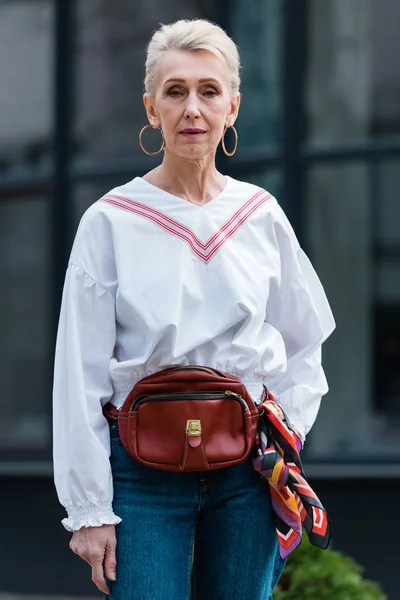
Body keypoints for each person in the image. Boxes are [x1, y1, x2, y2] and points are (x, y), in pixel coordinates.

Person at [53, 18, 335, 600]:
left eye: (209, 91)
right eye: (175, 91)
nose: (192, 109)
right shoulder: (110, 220)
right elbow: (76, 375)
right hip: (139, 475)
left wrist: (286, 435)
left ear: (232, 107)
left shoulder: (260, 214)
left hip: (247, 475)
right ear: (151, 108)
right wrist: (89, 509)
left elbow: (307, 338)